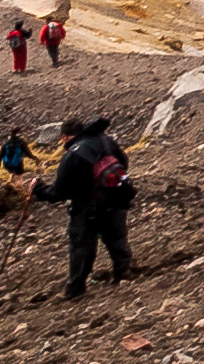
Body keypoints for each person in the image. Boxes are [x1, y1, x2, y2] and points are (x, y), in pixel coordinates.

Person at [48, 116, 135, 297]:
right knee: (116, 237)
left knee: (82, 246)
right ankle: (123, 270)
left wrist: (39, 190)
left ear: (65, 136)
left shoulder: (74, 153)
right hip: (115, 196)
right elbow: (123, 162)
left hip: (87, 207)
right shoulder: (105, 140)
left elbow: (58, 191)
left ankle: (75, 289)